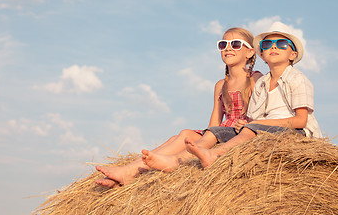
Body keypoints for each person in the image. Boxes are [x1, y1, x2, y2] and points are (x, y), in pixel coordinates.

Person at [95, 27, 262, 187]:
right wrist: (204, 137)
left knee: (184, 135)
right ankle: (128, 171)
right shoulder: (220, 85)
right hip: (218, 133)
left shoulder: (255, 79)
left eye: (235, 44)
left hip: (240, 133)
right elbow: (213, 125)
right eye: (222, 44)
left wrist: (249, 123)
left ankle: (129, 171)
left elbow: (265, 114)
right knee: (176, 139)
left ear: (249, 52)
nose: (228, 48)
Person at [184, 30, 323, 169]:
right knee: (215, 131)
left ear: (293, 55)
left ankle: (216, 154)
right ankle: (189, 157)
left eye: (281, 44)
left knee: (251, 130)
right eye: (267, 44)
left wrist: (256, 124)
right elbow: (254, 119)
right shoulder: (262, 83)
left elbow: (301, 121)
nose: (273, 47)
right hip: (263, 128)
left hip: (295, 132)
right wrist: (245, 123)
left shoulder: (297, 79)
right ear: (262, 55)